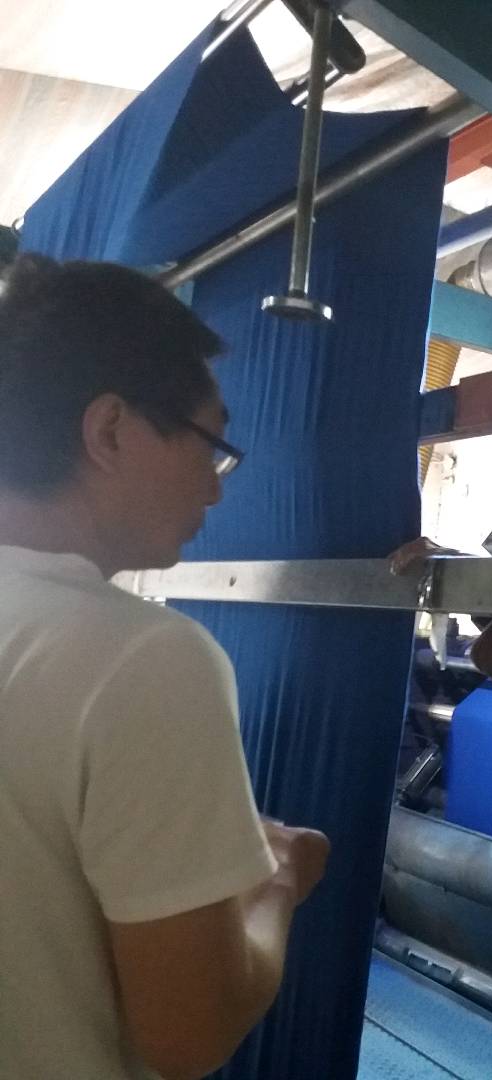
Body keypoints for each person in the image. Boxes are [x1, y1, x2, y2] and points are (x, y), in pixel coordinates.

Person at [0, 256, 329, 1080]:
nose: (214, 493)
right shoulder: (146, 660)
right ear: (110, 430)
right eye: (211, 446)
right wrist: (277, 882)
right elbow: (188, 1035)